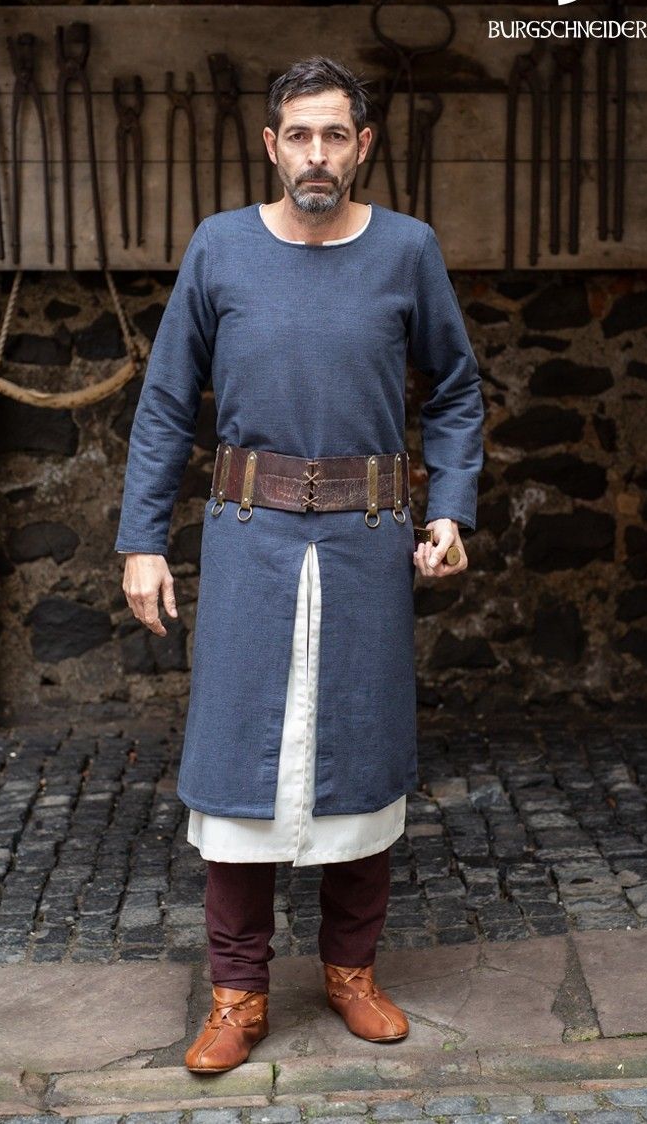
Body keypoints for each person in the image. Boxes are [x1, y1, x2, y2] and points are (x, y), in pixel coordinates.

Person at [114, 55, 484, 1073]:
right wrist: (142, 540)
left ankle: (352, 973)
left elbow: (455, 389)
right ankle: (236, 995)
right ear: (272, 144)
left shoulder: (408, 250)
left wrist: (450, 507)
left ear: (362, 145)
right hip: (250, 539)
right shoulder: (219, 248)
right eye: (299, 135)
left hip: (367, 543)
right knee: (238, 768)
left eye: (335, 134)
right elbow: (165, 403)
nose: (316, 153)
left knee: (361, 757)